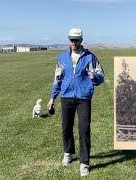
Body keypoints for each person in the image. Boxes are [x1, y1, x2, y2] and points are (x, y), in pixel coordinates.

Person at [47, 28, 104, 176]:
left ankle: (84, 163)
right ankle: (68, 153)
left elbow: (101, 76)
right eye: (71, 39)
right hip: (66, 96)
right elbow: (57, 79)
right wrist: (52, 98)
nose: (73, 42)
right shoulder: (61, 57)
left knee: (84, 129)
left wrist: (94, 77)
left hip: (84, 97)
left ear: (81, 40)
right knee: (66, 128)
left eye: (76, 40)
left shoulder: (90, 57)